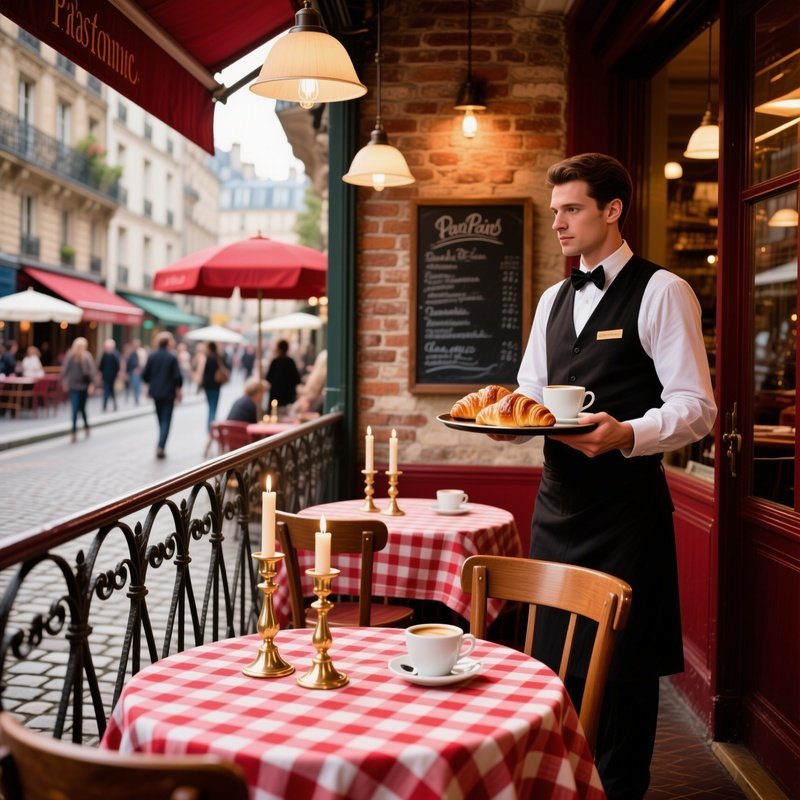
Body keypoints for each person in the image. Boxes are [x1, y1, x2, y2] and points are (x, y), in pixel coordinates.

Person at [507, 153, 717, 800]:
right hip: (556, 504)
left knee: (622, 675)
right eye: (556, 211)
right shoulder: (552, 299)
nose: (558, 223)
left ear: (613, 209)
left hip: (627, 513)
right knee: (553, 666)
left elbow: (697, 407)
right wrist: (512, 420)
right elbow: (529, 391)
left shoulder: (663, 291)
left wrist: (628, 434)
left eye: (571, 209)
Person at [142, 331, 183, 459]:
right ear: (168, 342)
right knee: (166, 421)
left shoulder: (152, 356)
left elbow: (145, 375)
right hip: (168, 393)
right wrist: (179, 390)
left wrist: (150, 384)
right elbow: (177, 377)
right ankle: (161, 446)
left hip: (156, 393)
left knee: (160, 419)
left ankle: (161, 443)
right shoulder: (172, 357)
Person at [60, 337, 95, 442]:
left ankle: (86, 426)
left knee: (82, 409)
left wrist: (91, 385)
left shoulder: (87, 356)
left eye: (82, 346)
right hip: (73, 386)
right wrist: (64, 382)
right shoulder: (70, 356)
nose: (81, 348)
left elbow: (91, 372)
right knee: (75, 409)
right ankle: (74, 432)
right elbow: (65, 370)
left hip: (84, 387)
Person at [197, 341, 226, 431]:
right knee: (213, 407)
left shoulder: (206, 358)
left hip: (208, 386)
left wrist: (199, 384)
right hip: (216, 385)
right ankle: (211, 427)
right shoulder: (218, 358)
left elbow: (202, 373)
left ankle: (210, 427)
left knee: (211, 407)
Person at [265, 339, 301, 409]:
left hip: (276, 396)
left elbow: (268, 378)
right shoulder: (290, 362)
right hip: (288, 397)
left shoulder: (275, 361)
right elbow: (297, 379)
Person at [97, 338, 121, 412]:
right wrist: (100, 373)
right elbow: (101, 365)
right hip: (105, 376)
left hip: (112, 376)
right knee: (107, 390)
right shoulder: (104, 354)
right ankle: (106, 405)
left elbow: (117, 366)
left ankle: (110, 405)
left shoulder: (115, 355)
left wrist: (116, 374)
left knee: (109, 390)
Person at [126, 338, 146, 405]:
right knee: (134, 385)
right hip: (132, 371)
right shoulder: (131, 352)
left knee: (137, 385)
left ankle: (137, 398)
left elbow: (143, 361)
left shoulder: (141, 352)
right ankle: (135, 398)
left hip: (138, 370)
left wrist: (139, 368)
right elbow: (128, 362)